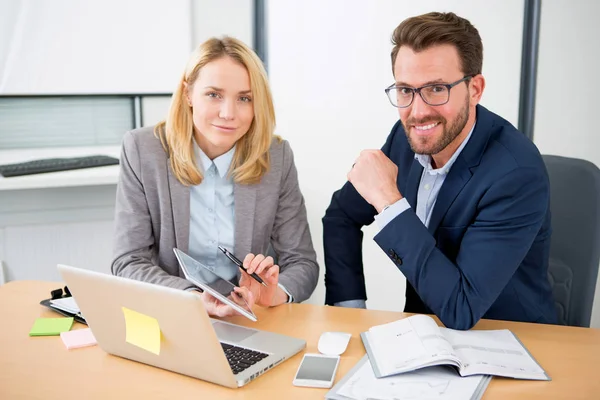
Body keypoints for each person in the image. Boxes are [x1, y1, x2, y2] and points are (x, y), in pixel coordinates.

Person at [322, 12, 557, 330]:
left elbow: (461, 309)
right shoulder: (406, 138)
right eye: (406, 90)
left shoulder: (516, 174)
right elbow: (341, 217)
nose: (418, 112)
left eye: (436, 89)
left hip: (510, 341)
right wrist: (350, 313)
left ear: (475, 89)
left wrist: (389, 202)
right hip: (425, 339)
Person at [112, 36, 319, 318]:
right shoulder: (143, 149)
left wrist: (273, 293)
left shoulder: (276, 157)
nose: (228, 113)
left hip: (249, 317)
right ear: (188, 94)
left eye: (244, 98)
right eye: (214, 95)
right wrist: (194, 298)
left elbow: (302, 263)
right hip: (174, 314)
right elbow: (128, 261)